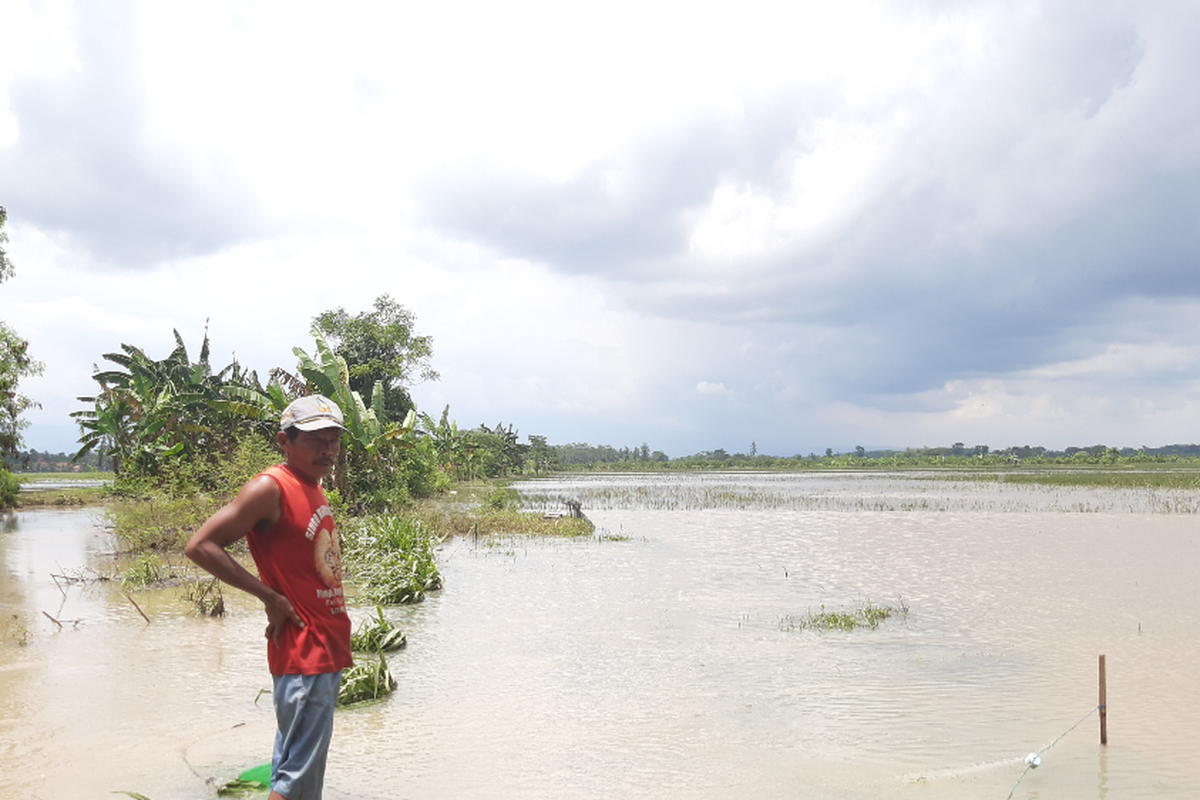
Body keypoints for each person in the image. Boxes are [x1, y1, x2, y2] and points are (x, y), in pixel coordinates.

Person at [186, 394, 353, 800]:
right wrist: (270, 598)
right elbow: (201, 546)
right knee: (297, 783)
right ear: (285, 441)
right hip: (304, 654)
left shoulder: (312, 488)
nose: (327, 449)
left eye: (333, 439)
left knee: (289, 770)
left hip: (321, 651)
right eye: (315, 439)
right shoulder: (270, 488)